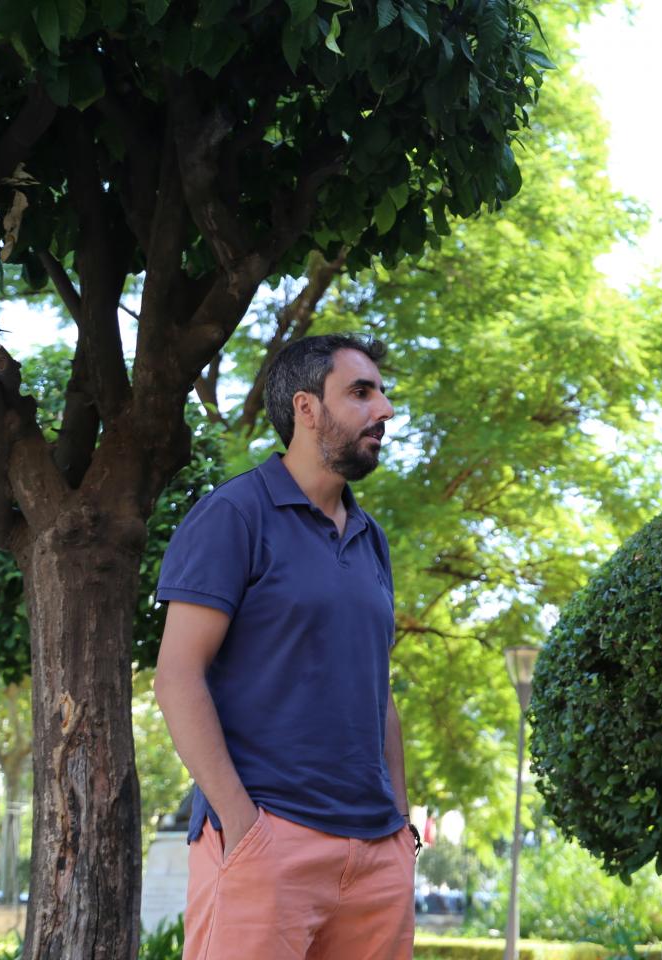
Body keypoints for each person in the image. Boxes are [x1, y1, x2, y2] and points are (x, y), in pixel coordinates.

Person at [154, 334, 417, 960]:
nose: (383, 409)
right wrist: (243, 827)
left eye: (382, 393)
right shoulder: (234, 515)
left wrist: (401, 832)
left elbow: (377, 692)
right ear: (305, 408)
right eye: (361, 392)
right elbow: (176, 676)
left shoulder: (370, 537)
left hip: (376, 855)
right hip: (269, 842)